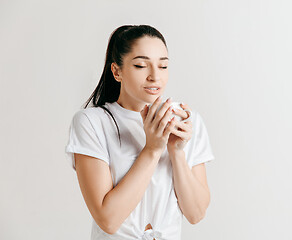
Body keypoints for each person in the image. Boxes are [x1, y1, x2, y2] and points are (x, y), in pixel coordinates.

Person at [65, 24, 215, 240]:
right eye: (141, 66)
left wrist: (176, 152)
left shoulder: (186, 121)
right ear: (117, 71)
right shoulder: (92, 122)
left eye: (163, 67)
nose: (155, 76)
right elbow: (108, 219)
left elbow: (196, 213)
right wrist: (153, 149)